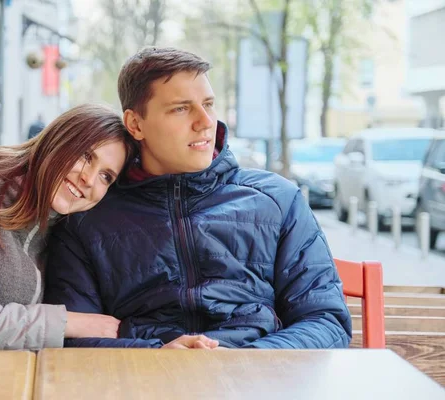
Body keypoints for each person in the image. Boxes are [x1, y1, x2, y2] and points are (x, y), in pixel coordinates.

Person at [44, 48, 352, 349]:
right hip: (146, 384)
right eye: (181, 108)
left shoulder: (277, 200)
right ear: (136, 124)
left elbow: (325, 320)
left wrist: (248, 362)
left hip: (258, 382)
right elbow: (76, 337)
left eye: (208, 104)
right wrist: (156, 357)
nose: (205, 121)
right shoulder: (88, 221)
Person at [0, 104, 138, 350]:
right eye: (86, 156)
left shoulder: (67, 234)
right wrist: (68, 323)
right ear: (56, 140)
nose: (89, 179)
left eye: (106, 176)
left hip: (18, 383)